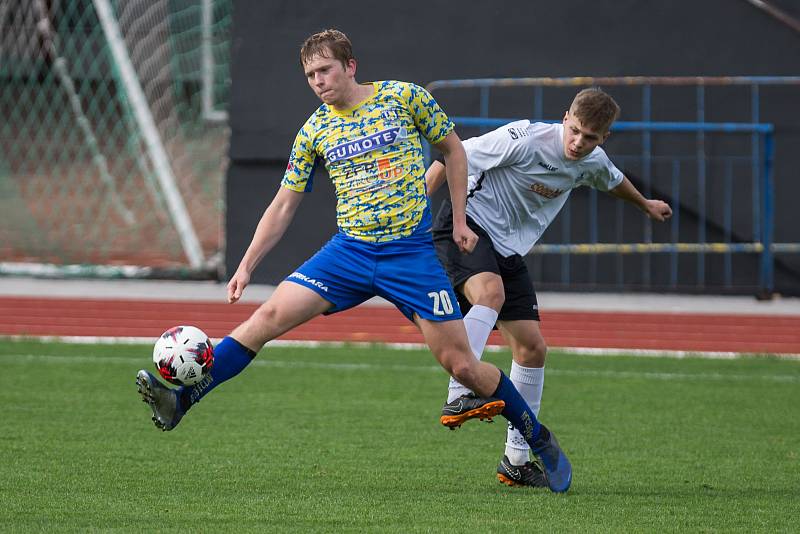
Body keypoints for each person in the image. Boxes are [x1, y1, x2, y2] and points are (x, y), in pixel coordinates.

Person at [135, 29, 572, 492]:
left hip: (410, 254)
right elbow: (284, 204)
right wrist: (246, 264)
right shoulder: (315, 130)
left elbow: (455, 151)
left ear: (351, 66)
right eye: (309, 75)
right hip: (349, 253)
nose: (317, 81)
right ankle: (181, 400)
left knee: (463, 367)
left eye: (324, 70)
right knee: (264, 319)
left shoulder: (406, 98)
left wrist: (460, 220)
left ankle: (537, 439)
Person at [427, 87, 672, 488]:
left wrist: (644, 203)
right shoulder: (523, 139)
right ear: (564, 118)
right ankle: (460, 389)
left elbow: (611, 180)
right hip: (467, 225)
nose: (578, 142)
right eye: (574, 130)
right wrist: (413, 206)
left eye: (590, 137)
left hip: (508, 250)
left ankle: (517, 463)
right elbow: (453, 155)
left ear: (603, 138)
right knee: (490, 293)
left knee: (532, 348)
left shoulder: (591, 160)